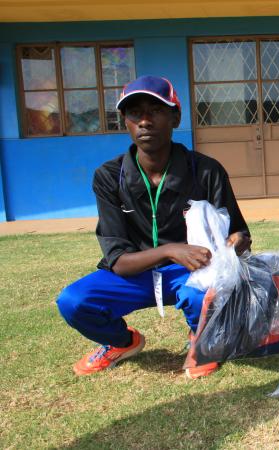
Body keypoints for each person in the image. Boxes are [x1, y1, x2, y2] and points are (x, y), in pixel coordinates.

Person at [56, 75, 251, 379]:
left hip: (193, 271)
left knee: (202, 294)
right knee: (74, 301)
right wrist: (171, 250)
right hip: (136, 271)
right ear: (125, 121)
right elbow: (118, 262)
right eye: (135, 113)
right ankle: (121, 342)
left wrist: (236, 243)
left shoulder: (206, 170)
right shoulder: (109, 176)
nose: (144, 121)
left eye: (156, 111)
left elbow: (239, 233)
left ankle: (202, 340)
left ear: (176, 116)